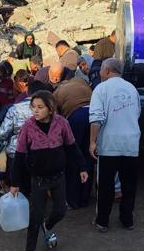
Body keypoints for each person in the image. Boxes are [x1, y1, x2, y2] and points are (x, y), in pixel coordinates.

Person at [11, 90, 88, 251]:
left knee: (60, 211)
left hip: (59, 177)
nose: (35, 111)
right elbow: (19, 155)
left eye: (40, 107)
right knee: (35, 219)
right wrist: (15, 182)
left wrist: (82, 167)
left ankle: (48, 225)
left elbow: (72, 147)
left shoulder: (61, 123)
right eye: (33, 107)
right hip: (38, 180)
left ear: (51, 108)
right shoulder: (28, 126)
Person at [89, 58, 141, 232]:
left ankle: (102, 221)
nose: (100, 73)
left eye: (102, 70)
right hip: (131, 144)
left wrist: (92, 142)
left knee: (105, 186)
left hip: (109, 144)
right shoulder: (132, 89)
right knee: (129, 185)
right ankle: (128, 219)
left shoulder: (101, 89)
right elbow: (137, 113)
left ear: (108, 70)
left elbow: (96, 118)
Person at [0, 81, 49, 195]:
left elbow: (3, 131)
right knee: (35, 188)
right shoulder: (47, 109)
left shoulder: (15, 109)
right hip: (38, 153)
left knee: (16, 187)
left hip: (16, 153)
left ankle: (19, 209)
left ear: (28, 91)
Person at [54, 78, 93, 209]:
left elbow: (55, 115)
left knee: (73, 157)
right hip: (94, 115)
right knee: (88, 156)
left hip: (76, 116)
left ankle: (72, 200)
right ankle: (84, 199)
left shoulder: (58, 91)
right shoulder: (81, 82)